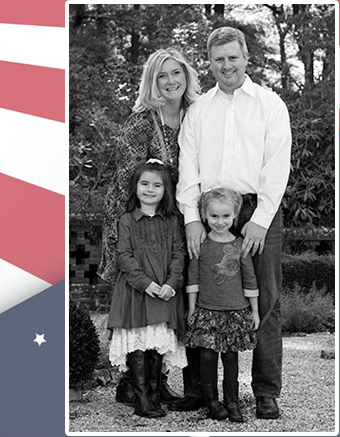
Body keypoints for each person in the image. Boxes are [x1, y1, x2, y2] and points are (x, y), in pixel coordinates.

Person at [176, 26, 291, 420]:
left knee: (266, 298)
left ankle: (265, 392)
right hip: (207, 212)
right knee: (200, 294)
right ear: (209, 63)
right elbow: (187, 166)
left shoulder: (270, 105)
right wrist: (192, 218)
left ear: (246, 57)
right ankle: (202, 390)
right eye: (218, 59)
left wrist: (259, 221)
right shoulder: (198, 110)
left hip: (255, 211)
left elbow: (277, 167)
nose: (226, 65)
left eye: (232, 57)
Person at [98, 47, 201, 407]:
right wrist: (134, 234)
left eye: (176, 73)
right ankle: (134, 384)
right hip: (139, 222)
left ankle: (157, 380)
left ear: (187, 76)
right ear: (151, 81)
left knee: (168, 300)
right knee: (140, 295)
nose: (171, 81)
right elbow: (130, 181)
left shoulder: (196, 115)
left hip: (175, 222)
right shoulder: (141, 121)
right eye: (162, 75)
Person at [106, 160, 188, 418]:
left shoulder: (172, 221)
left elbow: (178, 254)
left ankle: (154, 394)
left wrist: (171, 285)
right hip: (136, 292)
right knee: (139, 343)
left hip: (164, 292)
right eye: (144, 184)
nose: (150, 189)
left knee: (157, 342)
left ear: (166, 190)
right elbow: (124, 257)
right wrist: (146, 284)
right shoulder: (127, 220)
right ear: (135, 187)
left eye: (157, 185)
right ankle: (140, 397)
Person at [183, 188, 259, 422]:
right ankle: (212, 401)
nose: (220, 221)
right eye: (214, 216)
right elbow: (193, 279)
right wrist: (192, 309)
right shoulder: (201, 245)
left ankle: (232, 402)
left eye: (226, 216)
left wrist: (254, 311)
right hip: (207, 311)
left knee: (230, 359)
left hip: (235, 312)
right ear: (204, 215)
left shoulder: (240, 245)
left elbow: (250, 280)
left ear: (235, 215)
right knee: (207, 358)